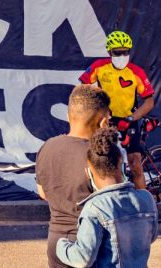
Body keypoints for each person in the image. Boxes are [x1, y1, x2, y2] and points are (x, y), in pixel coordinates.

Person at [56, 127, 158, 268]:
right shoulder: (147, 199)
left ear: (89, 172)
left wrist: (61, 246)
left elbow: (82, 259)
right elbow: (151, 237)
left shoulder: (94, 208)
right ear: (121, 164)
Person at [36, 84, 111, 268]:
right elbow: (112, 200)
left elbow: (43, 193)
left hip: (56, 243)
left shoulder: (47, 147)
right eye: (108, 119)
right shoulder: (99, 154)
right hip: (91, 245)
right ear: (102, 122)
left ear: (70, 115)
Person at [79, 30, 155, 189]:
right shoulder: (99, 67)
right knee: (103, 163)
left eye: (125, 52)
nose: (122, 56)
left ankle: (145, 204)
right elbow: (82, 89)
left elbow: (149, 102)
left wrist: (133, 118)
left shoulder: (136, 72)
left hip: (129, 121)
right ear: (109, 52)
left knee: (135, 165)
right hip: (105, 121)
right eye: (117, 53)